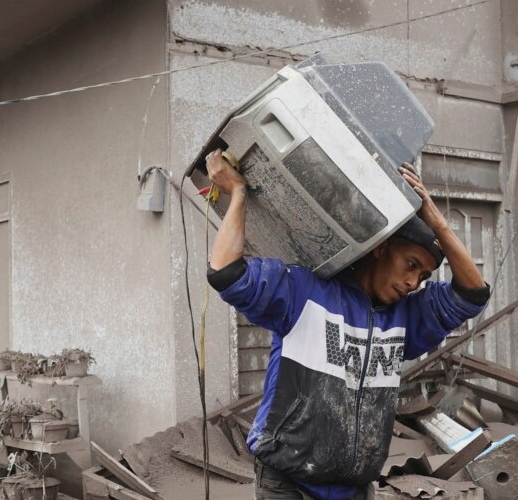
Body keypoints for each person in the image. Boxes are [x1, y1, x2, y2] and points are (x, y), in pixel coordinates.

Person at [204, 150, 490, 500]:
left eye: (424, 276)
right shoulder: (304, 290)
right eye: (410, 264)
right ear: (381, 248)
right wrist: (238, 193)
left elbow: (473, 293)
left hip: (355, 488)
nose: (414, 282)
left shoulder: (407, 318)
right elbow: (227, 273)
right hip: (287, 485)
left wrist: (437, 222)